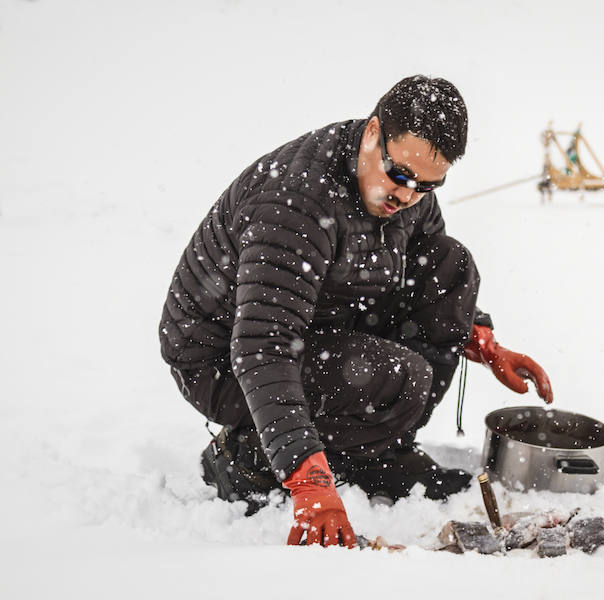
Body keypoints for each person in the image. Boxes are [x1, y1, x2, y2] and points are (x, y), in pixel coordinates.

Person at [159, 75, 553, 548]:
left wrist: (480, 339)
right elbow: (263, 343)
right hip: (225, 362)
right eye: (400, 176)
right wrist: (308, 480)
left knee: (450, 264)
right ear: (372, 133)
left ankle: (379, 454)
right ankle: (247, 461)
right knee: (395, 374)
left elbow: (430, 261)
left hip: (319, 323)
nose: (407, 195)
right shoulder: (296, 203)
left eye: (428, 185)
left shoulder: (400, 192)